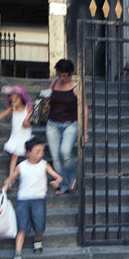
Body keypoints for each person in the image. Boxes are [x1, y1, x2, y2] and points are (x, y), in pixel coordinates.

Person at [2, 138, 63, 259]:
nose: (41, 154)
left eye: (42, 151)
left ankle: (38, 240)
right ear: (28, 153)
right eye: (37, 151)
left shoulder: (44, 165)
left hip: (39, 200)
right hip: (23, 200)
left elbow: (58, 176)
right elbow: (10, 178)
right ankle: (17, 254)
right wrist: (5, 187)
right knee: (21, 227)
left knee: (39, 225)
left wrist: (57, 181)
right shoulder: (21, 166)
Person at [46, 59, 89, 195]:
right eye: (59, 74)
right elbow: (46, 102)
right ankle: (64, 185)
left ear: (70, 74)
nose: (62, 78)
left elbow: (85, 109)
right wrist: (44, 104)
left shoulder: (77, 87)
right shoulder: (53, 84)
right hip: (52, 124)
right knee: (56, 157)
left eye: (65, 75)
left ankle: (74, 177)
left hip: (71, 124)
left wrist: (85, 131)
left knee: (64, 151)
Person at [0, 85, 33, 175]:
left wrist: (27, 123)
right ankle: (11, 175)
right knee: (14, 155)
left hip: (25, 136)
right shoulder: (12, 109)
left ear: (21, 98)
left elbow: (31, 121)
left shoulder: (28, 109)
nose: (14, 102)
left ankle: (27, 173)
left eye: (16, 99)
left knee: (27, 155)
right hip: (16, 136)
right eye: (12, 100)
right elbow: (0, 115)